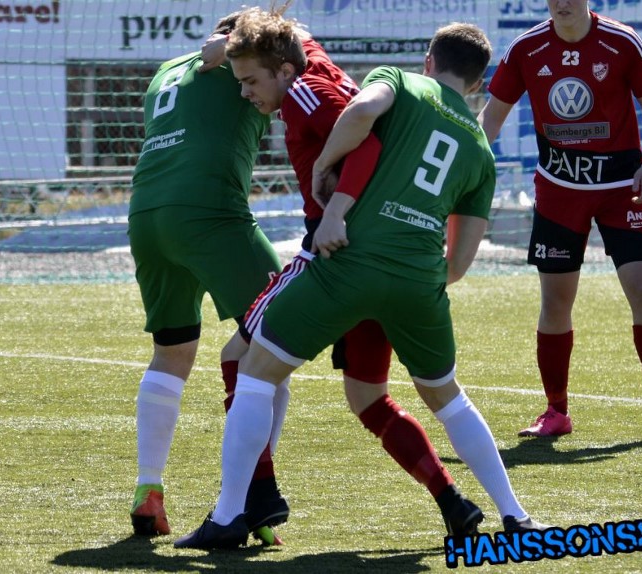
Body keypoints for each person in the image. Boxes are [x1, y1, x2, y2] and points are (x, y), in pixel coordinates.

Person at [176, 20, 547, 550]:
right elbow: (460, 262)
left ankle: (233, 512)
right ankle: (516, 516)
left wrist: (327, 176)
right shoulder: (480, 150)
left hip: (348, 261)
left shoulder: (399, 81)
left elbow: (361, 115)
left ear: (428, 62)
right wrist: (411, 270)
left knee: (252, 370)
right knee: (447, 399)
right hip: (419, 282)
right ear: (478, 83)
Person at [477, 0, 642, 441]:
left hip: (622, 189)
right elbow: (491, 117)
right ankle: (556, 411)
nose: (562, 2)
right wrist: (468, 162)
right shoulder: (526, 49)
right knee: (555, 302)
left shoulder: (623, 41)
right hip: (559, 190)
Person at [127, 10, 289, 543]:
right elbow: (292, 66)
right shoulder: (239, 62)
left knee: (171, 351)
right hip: (210, 211)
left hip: (147, 212)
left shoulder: (165, 70)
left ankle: (149, 488)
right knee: (279, 338)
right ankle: (251, 499)